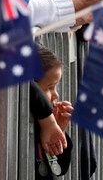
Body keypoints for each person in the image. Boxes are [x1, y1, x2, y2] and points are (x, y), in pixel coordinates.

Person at [33, 46, 73, 179]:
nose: (56, 94)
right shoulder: (17, 119)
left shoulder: (43, 125)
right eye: (49, 87)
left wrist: (59, 131)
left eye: (55, 86)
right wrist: (49, 123)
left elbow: (58, 169)